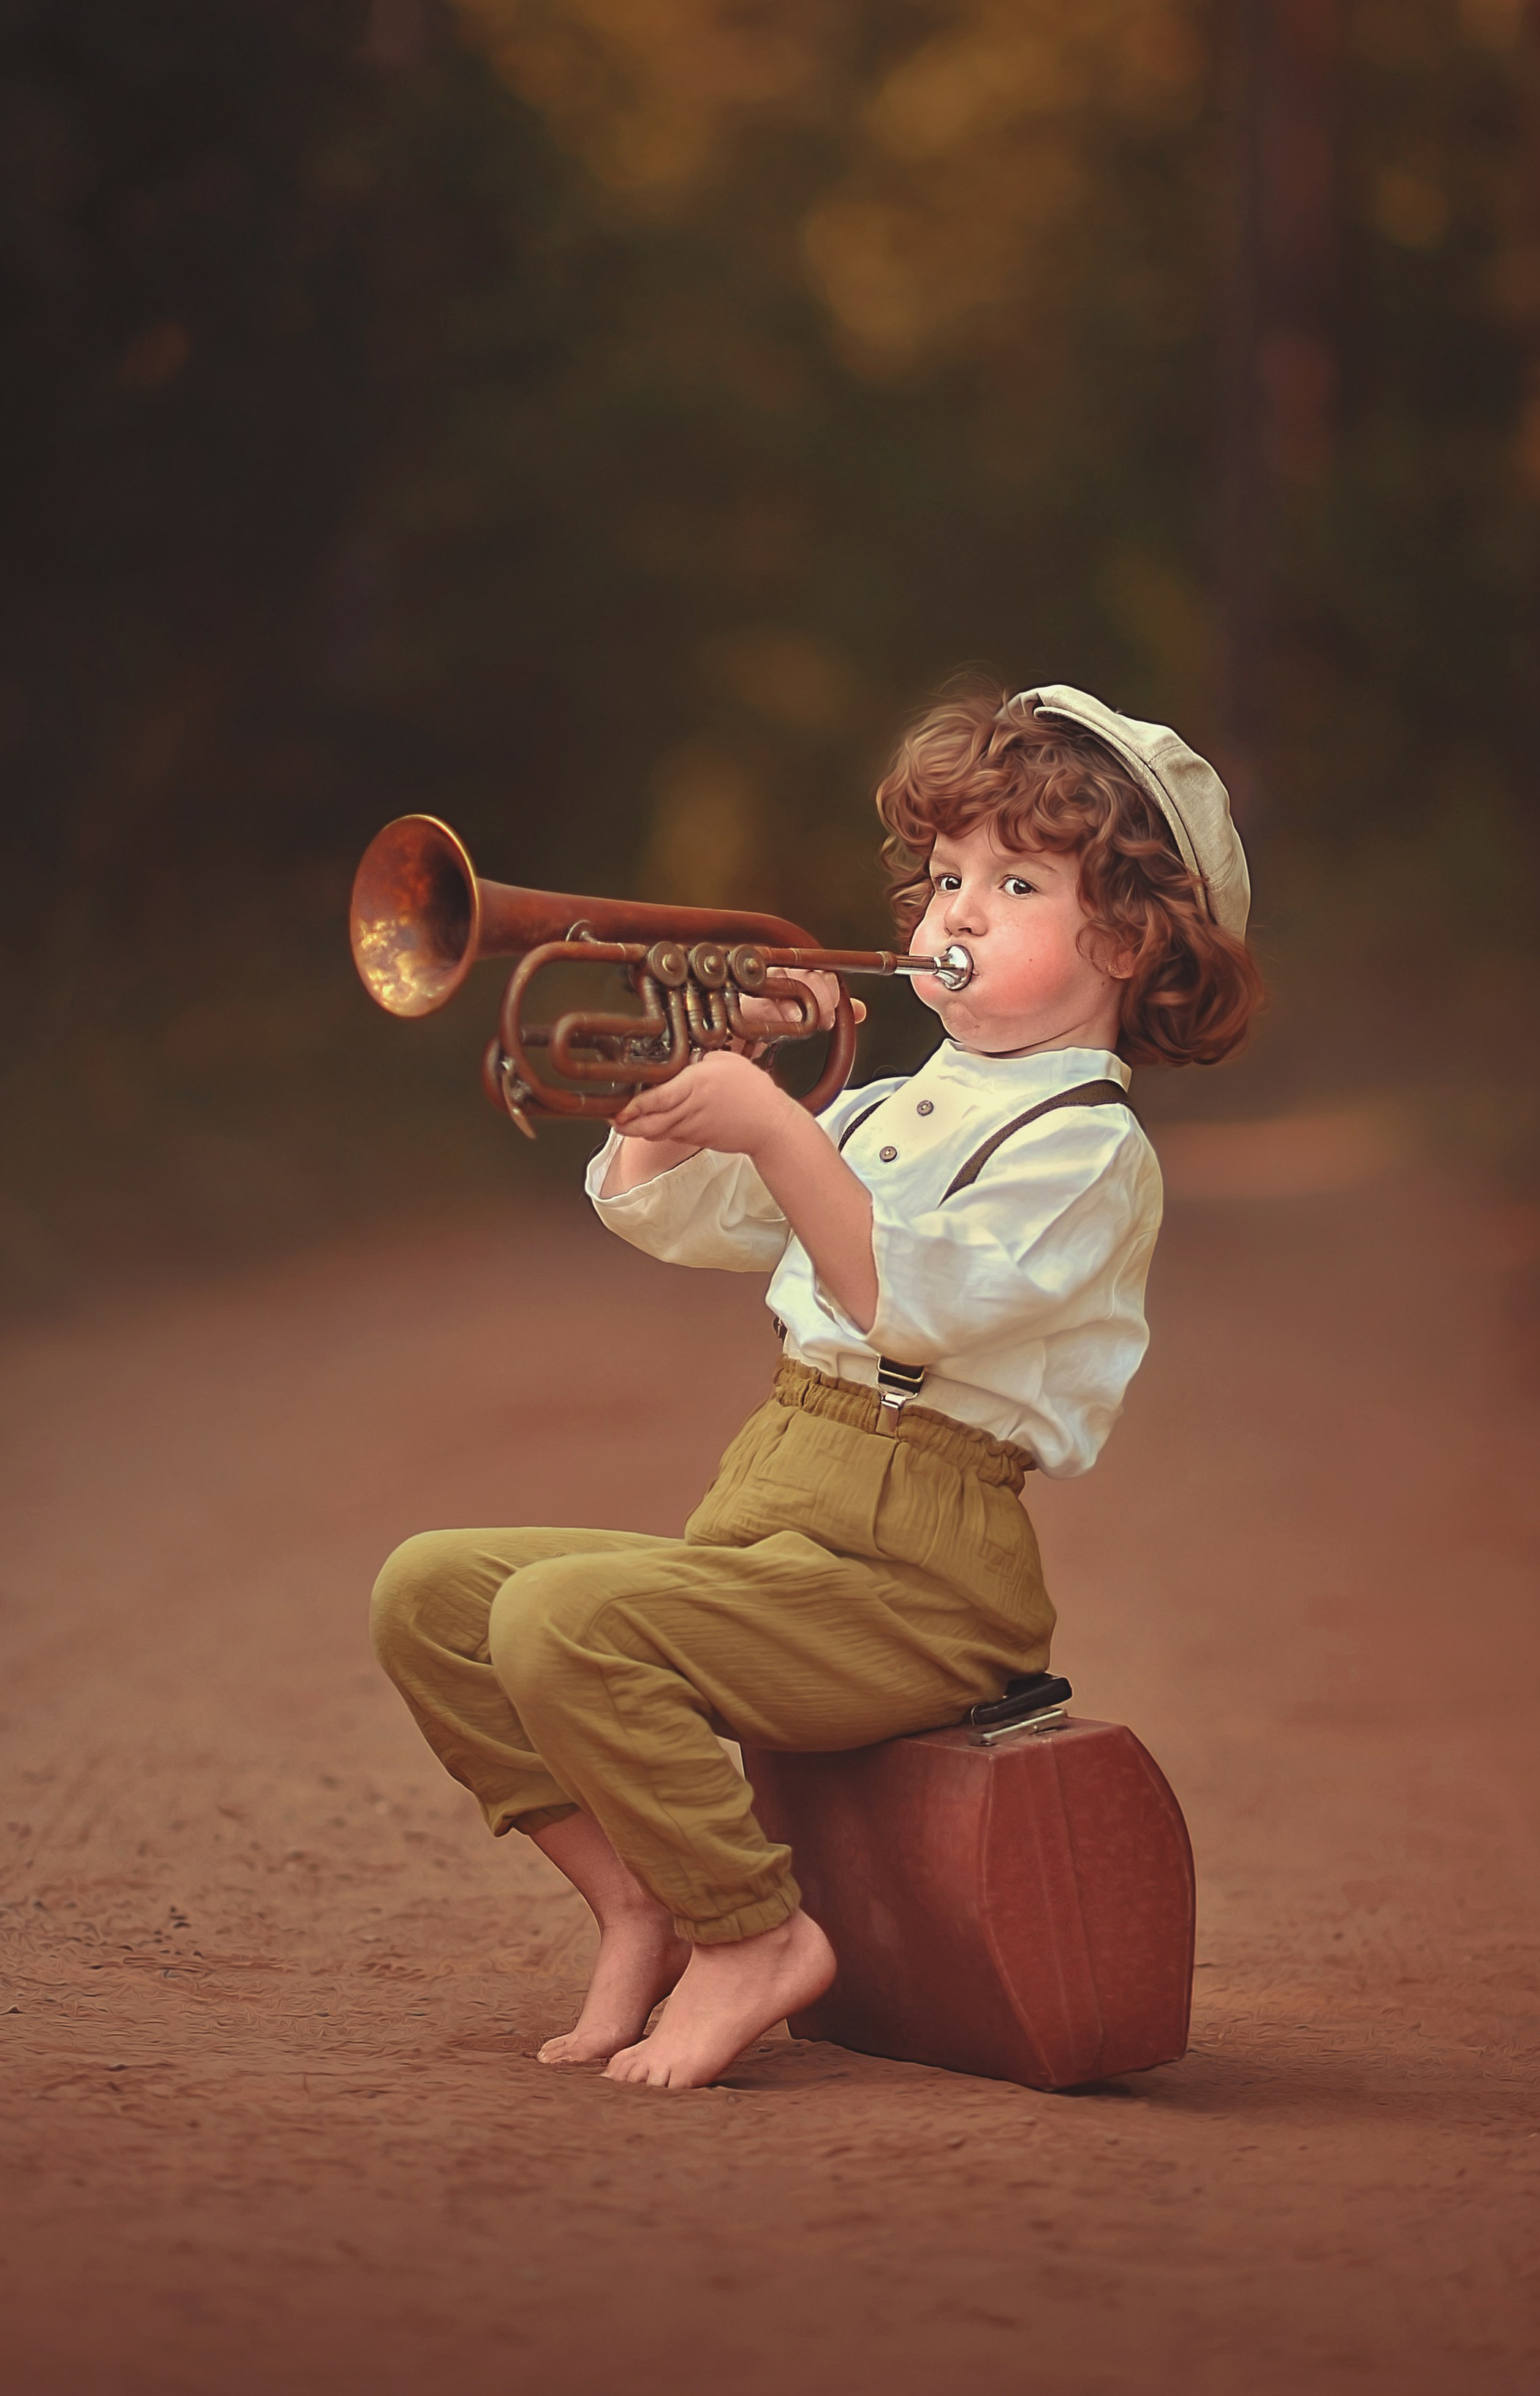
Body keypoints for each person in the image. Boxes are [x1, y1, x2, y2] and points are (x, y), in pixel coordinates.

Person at [370, 679, 1262, 2090]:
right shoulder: (890, 1103)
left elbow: (917, 1302)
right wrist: (722, 1075)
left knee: (561, 1620)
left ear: (1134, 939)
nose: (953, 915)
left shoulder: (1091, 1148)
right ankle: (642, 1898)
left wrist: (783, 1130)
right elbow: (682, 1219)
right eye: (947, 876)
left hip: (919, 1573)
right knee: (431, 1592)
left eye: (1015, 882)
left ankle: (757, 1938)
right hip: (782, 1513)